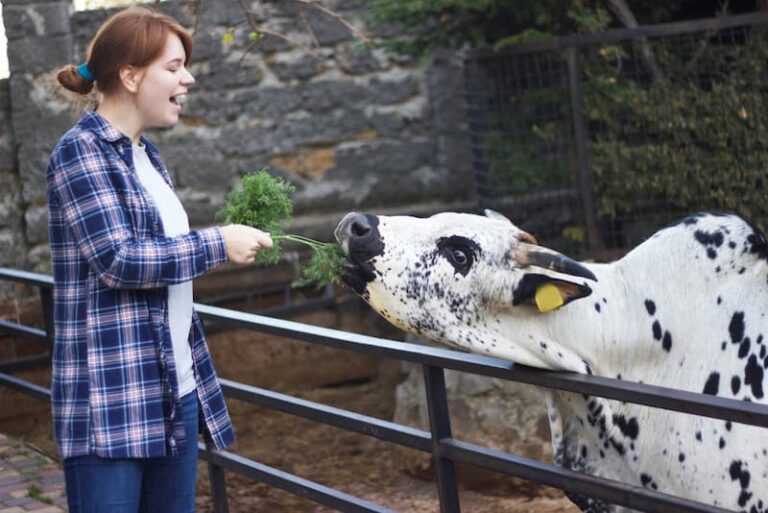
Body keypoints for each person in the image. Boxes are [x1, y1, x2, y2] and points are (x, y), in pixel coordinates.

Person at [46, 6, 271, 512]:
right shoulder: (79, 152)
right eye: (173, 67)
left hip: (174, 390)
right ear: (129, 75)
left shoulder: (146, 155)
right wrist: (218, 243)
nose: (187, 78)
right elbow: (118, 259)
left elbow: (161, 259)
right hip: (110, 402)